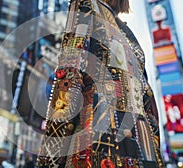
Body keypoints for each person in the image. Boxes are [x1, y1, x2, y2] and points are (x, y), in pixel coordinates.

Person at [37, 0, 164, 167]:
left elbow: (69, 77)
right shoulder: (129, 35)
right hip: (144, 151)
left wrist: (50, 159)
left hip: (96, 145)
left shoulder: (86, 6)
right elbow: (149, 105)